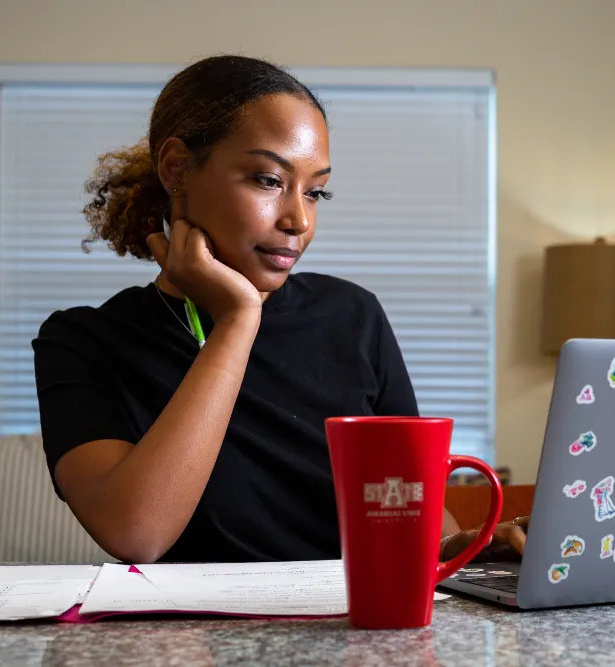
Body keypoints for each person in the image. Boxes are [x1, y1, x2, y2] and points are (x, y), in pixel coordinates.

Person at [32, 54, 528, 565]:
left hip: (351, 632)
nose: (298, 220)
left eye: (315, 191)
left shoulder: (352, 316)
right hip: (190, 640)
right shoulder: (81, 342)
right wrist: (239, 320)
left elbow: (410, 509)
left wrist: (463, 547)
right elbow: (137, 534)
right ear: (177, 169)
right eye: (269, 180)